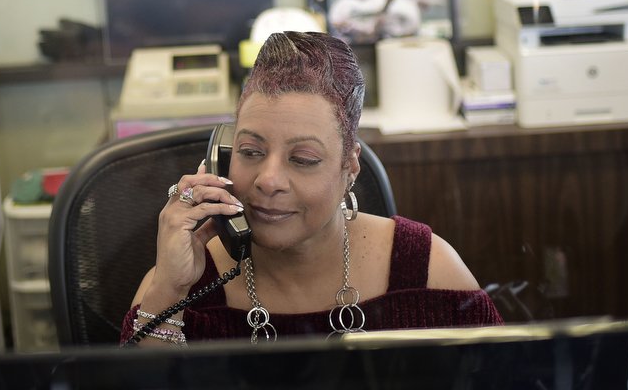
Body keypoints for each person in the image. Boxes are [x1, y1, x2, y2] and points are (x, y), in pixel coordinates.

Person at [121, 31, 502, 345]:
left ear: (348, 166)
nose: (267, 180)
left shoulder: (424, 269)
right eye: (250, 151)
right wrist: (171, 290)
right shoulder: (184, 282)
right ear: (222, 156)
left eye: (303, 159)